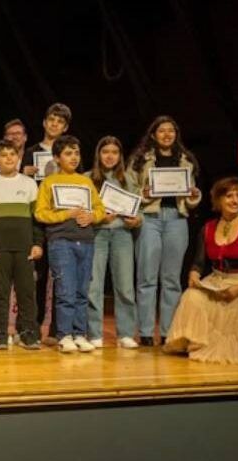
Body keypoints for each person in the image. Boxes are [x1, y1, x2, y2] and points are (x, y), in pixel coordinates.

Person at [163, 177, 238, 363]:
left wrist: (237, 290)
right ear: (218, 200)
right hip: (218, 282)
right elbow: (199, 262)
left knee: (229, 346)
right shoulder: (208, 228)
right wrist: (194, 274)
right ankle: (194, 341)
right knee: (191, 296)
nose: (235, 200)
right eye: (229, 196)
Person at [129, 115, 202, 346]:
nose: (167, 134)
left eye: (171, 130)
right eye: (162, 131)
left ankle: (169, 331)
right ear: (153, 135)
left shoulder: (186, 161)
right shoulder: (140, 160)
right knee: (147, 278)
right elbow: (130, 192)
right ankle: (147, 332)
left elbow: (190, 198)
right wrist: (145, 194)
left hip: (176, 219)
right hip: (150, 218)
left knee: (171, 279)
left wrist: (193, 195)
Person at [34, 135, 105, 353]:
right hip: (61, 241)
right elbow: (40, 213)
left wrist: (92, 217)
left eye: (76, 153)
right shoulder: (49, 182)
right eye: (67, 153)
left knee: (82, 290)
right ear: (57, 158)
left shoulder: (86, 182)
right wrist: (67, 213)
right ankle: (64, 335)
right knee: (65, 290)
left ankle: (80, 333)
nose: (73, 157)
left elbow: (100, 209)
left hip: (85, 241)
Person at [0, 139, 44, 350]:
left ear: (18, 158)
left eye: (12, 154)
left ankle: (27, 334)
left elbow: (36, 218)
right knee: (1, 294)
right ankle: (1, 334)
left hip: (25, 248)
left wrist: (38, 244)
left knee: (26, 293)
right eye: (3, 155)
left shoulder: (29, 183)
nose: (9, 158)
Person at [85, 136, 141, 349]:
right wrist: (98, 217)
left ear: (120, 156)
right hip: (97, 235)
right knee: (94, 286)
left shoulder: (129, 178)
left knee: (125, 286)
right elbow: (82, 208)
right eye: (105, 151)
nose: (109, 156)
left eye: (114, 152)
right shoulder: (87, 178)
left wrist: (137, 219)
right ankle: (94, 333)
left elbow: (140, 209)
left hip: (122, 236)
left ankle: (126, 333)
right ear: (98, 154)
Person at [23, 103, 72, 343]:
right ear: (44, 122)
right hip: (38, 219)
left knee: (61, 276)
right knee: (38, 277)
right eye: (51, 120)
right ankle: (34, 325)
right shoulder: (31, 151)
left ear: (65, 127)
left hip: (62, 220)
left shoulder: (70, 152)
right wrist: (26, 173)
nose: (54, 124)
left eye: (60, 122)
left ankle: (57, 328)